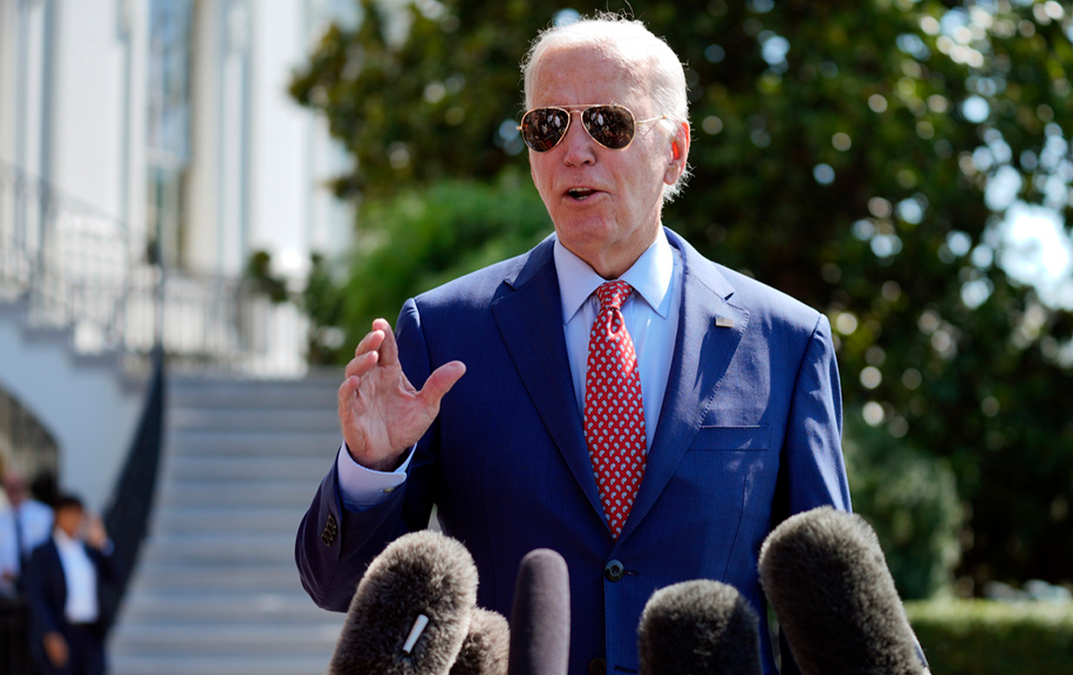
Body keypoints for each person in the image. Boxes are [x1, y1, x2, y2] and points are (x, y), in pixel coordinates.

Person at [296, 14, 850, 675]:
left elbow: (829, 604)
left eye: (608, 124)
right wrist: (371, 465)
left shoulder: (786, 341)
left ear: (674, 149)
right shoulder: (443, 331)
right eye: (548, 126)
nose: (574, 151)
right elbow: (341, 588)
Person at [25, 494, 116, 675]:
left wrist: (103, 543)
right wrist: (50, 634)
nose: (75, 519)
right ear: (58, 516)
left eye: (79, 514)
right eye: (70, 514)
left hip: (91, 633)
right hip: (61, 630)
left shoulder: (90, 550)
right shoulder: (43, 553)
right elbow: (37, 595)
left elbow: (114, 576)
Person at [0, 469, 55, 597]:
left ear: (26, 486)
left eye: (17, 485)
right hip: (6, 591)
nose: (13, 490)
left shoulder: (45, 515)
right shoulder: (1, 519)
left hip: (40, 587)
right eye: (9, 486)